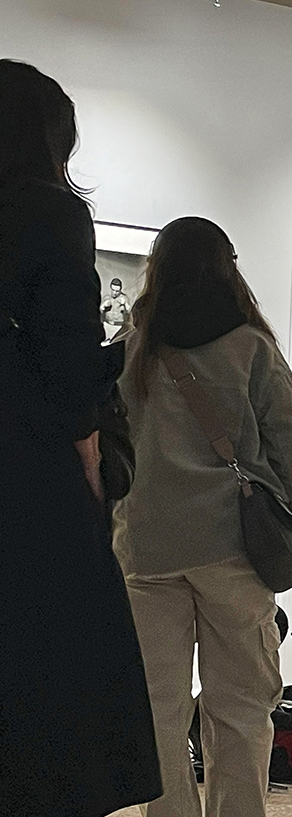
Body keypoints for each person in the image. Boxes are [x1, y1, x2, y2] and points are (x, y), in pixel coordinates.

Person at [0, 59, 162, 815]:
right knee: (50, 675)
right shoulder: (47, 211)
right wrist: (90, 453)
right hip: (24, 465)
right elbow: (64, 358)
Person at [114, 216, 292, 817]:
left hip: (146, 549)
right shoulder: (251, 347)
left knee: (156, 709)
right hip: (234, 549)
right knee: (241, 708)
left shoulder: (131, 349)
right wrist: (287, 504)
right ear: (228, 268)